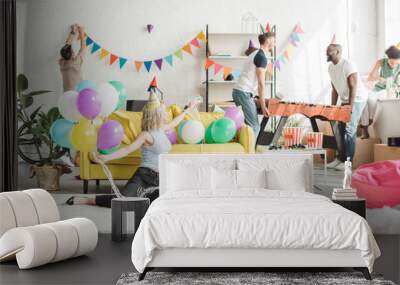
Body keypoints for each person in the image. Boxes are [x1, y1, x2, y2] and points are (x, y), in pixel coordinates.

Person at [66, 92, 197, 207]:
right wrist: (106, 157)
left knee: (165, 201)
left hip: (161, 178)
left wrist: (188, 109)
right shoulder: (146, 134)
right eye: (163, 112)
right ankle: (89, 200)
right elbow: (127, 150)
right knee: (123, 201)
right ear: (156, 115)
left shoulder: (162, 129)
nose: (166, 114)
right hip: (144, 176)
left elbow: (175, 122)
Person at [325, 44, 368, 171]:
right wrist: (332, 108)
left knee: (349, 129)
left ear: (338, 51)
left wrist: (350, 107)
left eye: (329, 51)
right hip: (345, 99)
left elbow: (353, 87)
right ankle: (340, 158)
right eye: (326, 51)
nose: (327, 53)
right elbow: (334, 89)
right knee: (340, 129)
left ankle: (348, 162)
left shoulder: (348, 64)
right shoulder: (330, 68)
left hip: (357, 98)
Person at [232, 32, 275, 138]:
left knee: (247, 126)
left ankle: (245, 151)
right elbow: (261, 84)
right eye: (274, 40)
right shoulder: (261, 57)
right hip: (243, 92)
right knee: (255, 127)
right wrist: (263, 106)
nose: (275, 43)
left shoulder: (255, 54)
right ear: (268, 40)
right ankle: (250, 153)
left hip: (240, 91)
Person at [360, 45, 400, 138]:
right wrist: (380, 78)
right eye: (391, 62)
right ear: (387, 58)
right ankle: (365, 127)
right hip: (379, 88)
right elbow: (370, 77)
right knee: (367, 100)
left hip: (392, 90)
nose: (393, 65)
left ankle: (370, 122)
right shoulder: (381, 62)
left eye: (396, 63)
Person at [59, 24, 87, 92]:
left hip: (66, 93)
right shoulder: (75, 62)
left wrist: (73, 31)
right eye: (72, 51)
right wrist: (81, 33)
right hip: (77, 93)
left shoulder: (61, 62)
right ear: (72, 54)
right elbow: (83, 48)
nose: (73, 51)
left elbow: (67, 46)